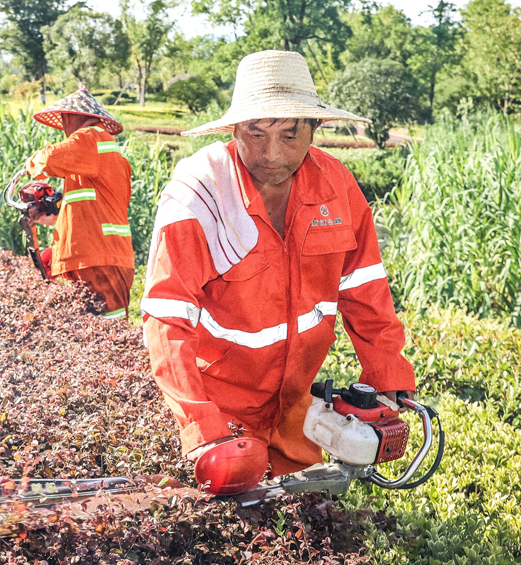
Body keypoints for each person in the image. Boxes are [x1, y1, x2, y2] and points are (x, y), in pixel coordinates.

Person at [141, 50, 416, 494]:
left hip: (297, 411)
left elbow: (366, 290)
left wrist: (390, 380)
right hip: (220, 408)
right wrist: (200, 427)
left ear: (315, 128)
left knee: (304, 526)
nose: (271, 153)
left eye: (289, 134)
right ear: (234, 129)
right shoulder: (198, 195)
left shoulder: (337, 187)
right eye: (256, 132)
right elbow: (166, 319)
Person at [24, 88, 134, 320]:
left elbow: (50, 158)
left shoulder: (91, 138)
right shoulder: (94, 157)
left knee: (109, 336)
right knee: (94, 336)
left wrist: (30, 163)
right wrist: (53, 218)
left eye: (65, 118)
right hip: (97, 257)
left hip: (101, 260)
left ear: (74, 116)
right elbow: (93, 209)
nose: (64, 125)